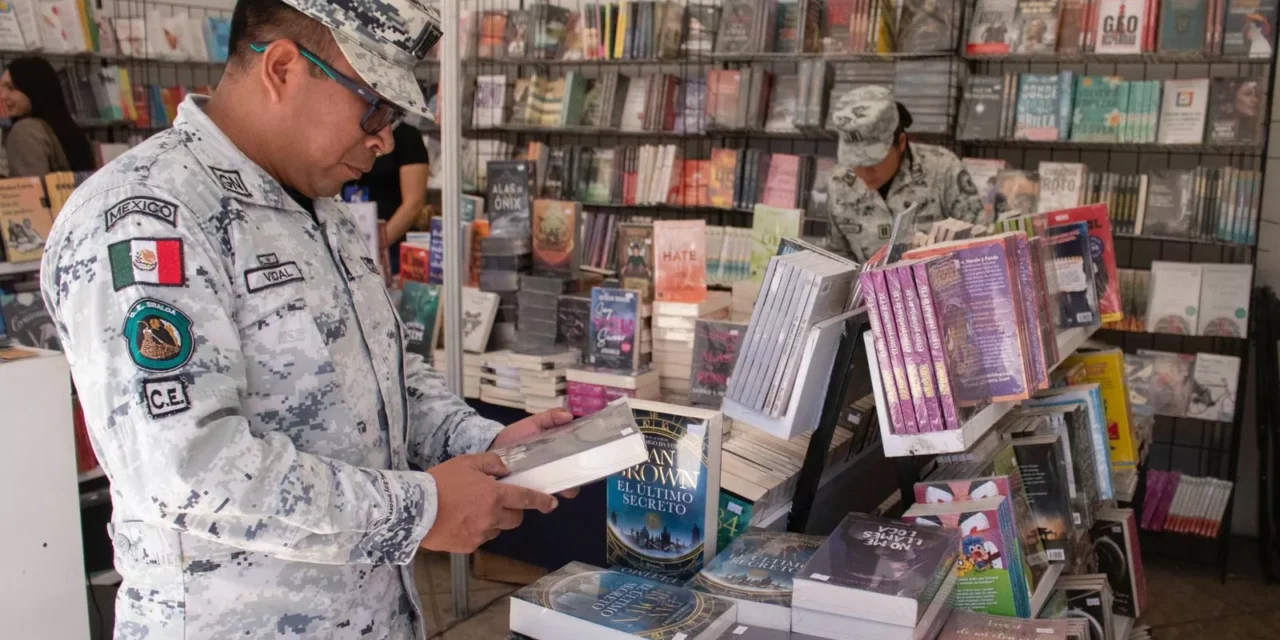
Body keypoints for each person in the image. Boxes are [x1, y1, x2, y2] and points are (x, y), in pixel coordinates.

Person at [40, 0, 575, 638]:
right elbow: (188, 470)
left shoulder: (321, 210)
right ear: (285, 68)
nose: (384, 138)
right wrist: (420, 510)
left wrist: (481, 443)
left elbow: (387, 377)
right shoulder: (149, 218)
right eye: (374, 106)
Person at [825, 85, 983, 262]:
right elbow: (838, 258)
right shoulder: (838, 182)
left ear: (900, 143)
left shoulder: (943, 168)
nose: (862, 172)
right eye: (853, 162)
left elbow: (981, 243)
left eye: (872, 161)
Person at [345, 122, 430, 273]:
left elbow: (413, 204)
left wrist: (376, 246)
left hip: (391, 247)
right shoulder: (351, 134)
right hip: (349, 244)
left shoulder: (406, 136)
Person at [0, 57, 95, 176]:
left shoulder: (25, 130)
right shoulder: (68, 129)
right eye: (2, 87)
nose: (2, 96)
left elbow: (31, 189)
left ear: (32, 89)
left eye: (11, 88)